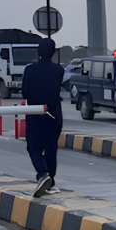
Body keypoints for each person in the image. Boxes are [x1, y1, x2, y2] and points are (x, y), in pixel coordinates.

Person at [21, 38, 65, 197]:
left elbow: (25, 92)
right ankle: (50, 181)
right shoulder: (59, 70)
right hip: (53, 113)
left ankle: (43, 173)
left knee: (33, 146)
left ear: (38, 51)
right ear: (53, 52)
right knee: (51, 146)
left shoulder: (30, 70)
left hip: (35, 112)